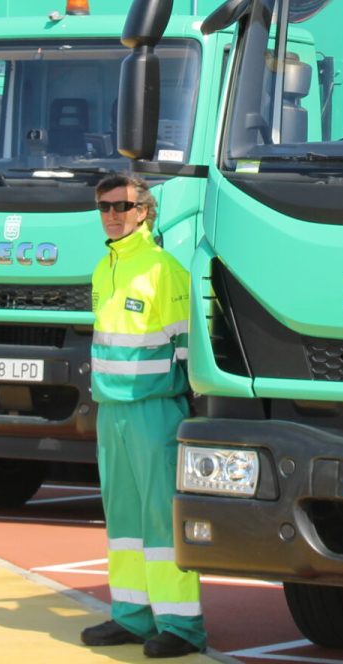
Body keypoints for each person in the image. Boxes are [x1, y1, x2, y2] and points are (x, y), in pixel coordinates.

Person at [79, 173, 204, 659]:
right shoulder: (101, 268)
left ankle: (182, 626)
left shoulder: (163, 269)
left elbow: (188, 348)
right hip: (112, 410)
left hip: (154, 410)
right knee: (124, 522)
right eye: (104, 206)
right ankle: (131, 616)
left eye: (122, 205)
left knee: (159, 520)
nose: (112, 214)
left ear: (144, 210)